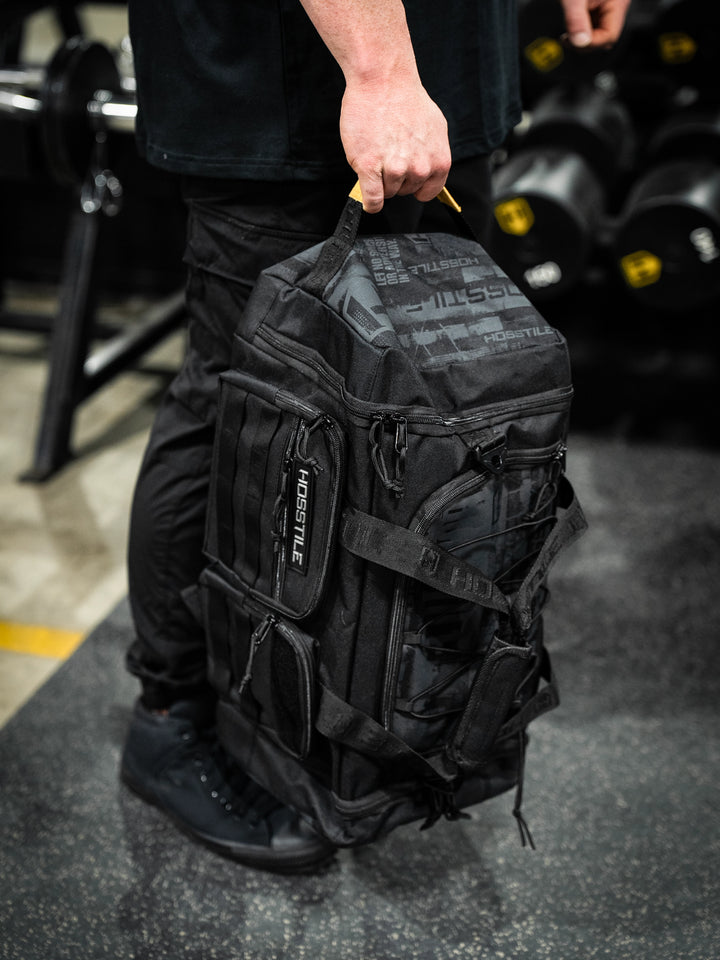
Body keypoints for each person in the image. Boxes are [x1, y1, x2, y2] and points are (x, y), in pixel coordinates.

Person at [120, 0, 631, 873]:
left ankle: (352, 719)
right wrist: (379, 71)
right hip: (294, 90)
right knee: (235, 405)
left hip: (441, 86)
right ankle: (171, 722)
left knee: (421, 424)